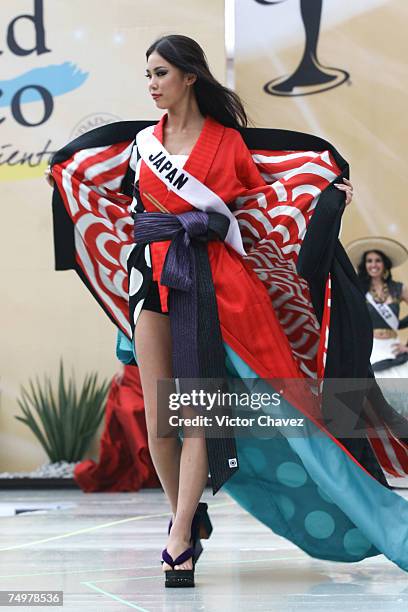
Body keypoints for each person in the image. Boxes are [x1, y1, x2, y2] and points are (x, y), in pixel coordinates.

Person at [46, 34, 408, 587]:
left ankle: (179, 537)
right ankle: (186, 516)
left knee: (197, 415)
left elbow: (276, 199)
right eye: (147, 75)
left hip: (214, 284)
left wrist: (330, 193)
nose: (151, 84)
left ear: (191, 76)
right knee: (159, 422)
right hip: (150, 278)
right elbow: (104, 194)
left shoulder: (230, 146)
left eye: (161, 73)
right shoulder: (141, 146)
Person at [347, 237, 408, 416]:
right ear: (364, 265)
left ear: (384, 263)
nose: (374, 264)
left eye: (378, 260)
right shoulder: (358, 289)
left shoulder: (399, 288)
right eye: (369, 261)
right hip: (372, 350)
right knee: (385, 402)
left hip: (396, 348)